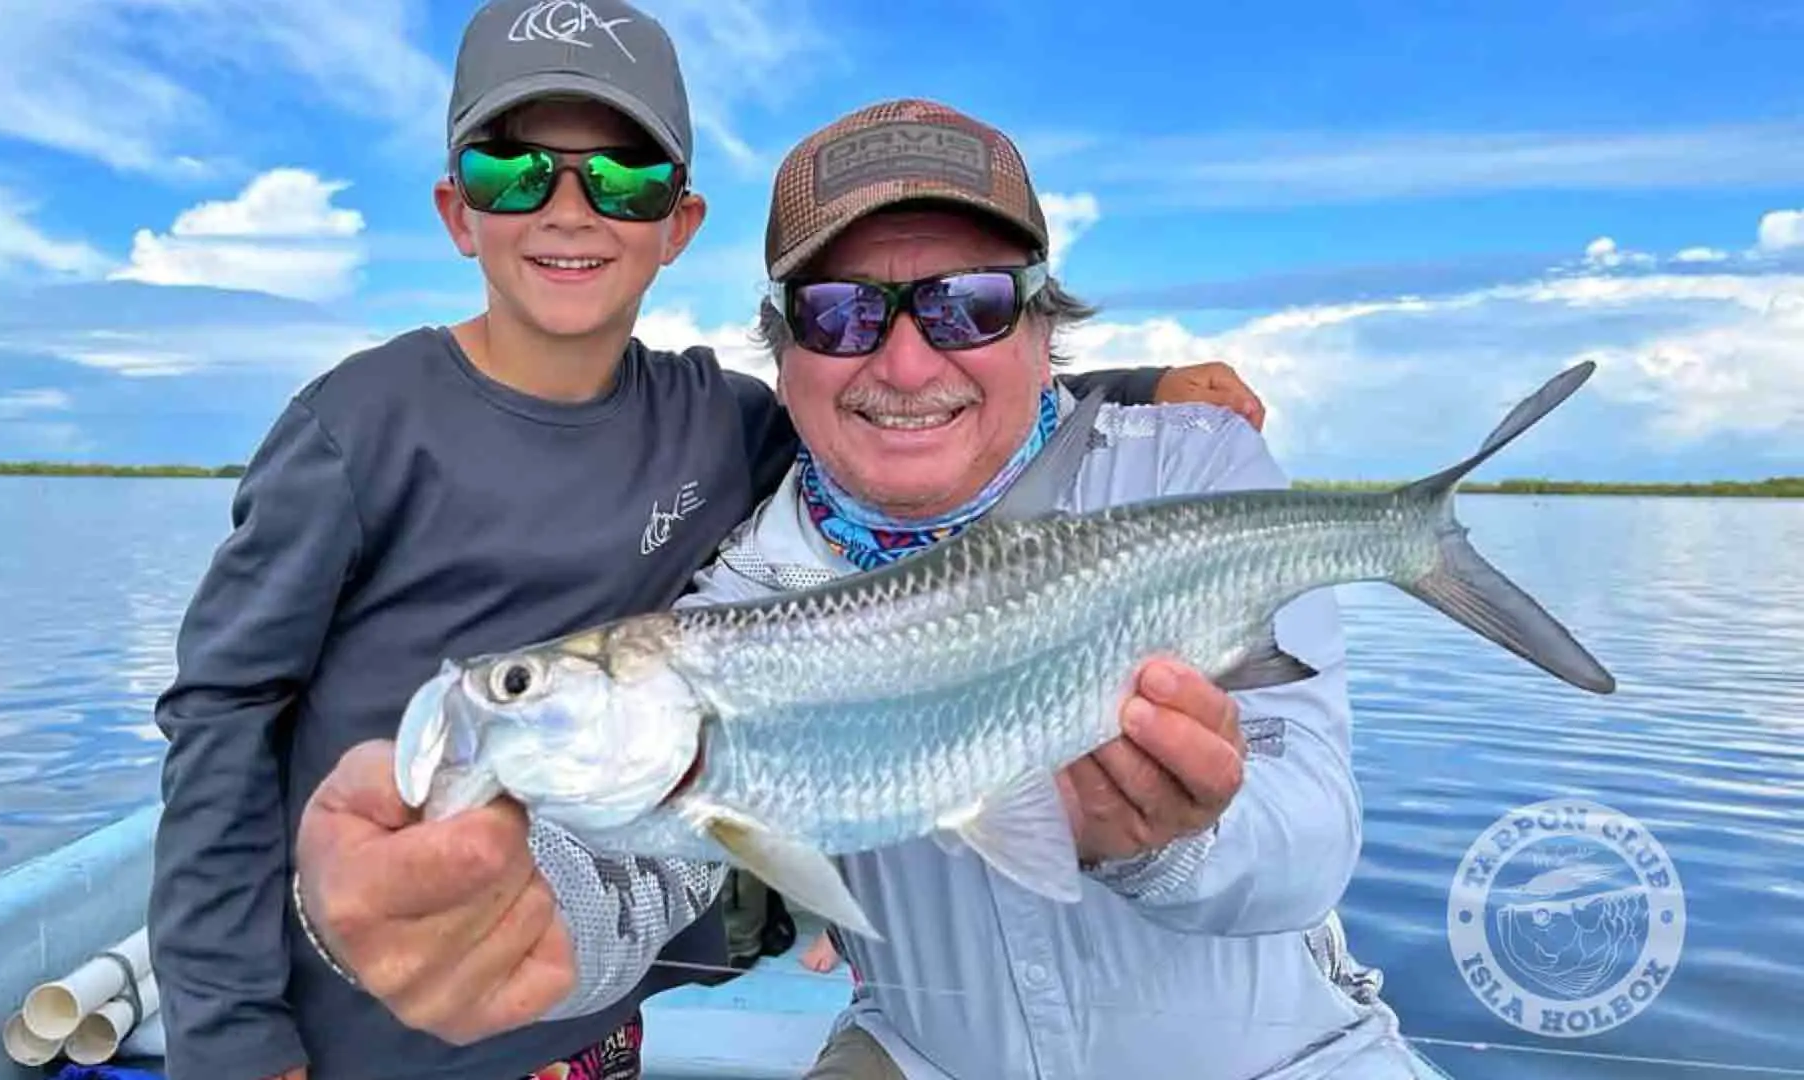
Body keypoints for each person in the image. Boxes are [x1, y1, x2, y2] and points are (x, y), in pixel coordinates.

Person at [146, 2, 1264, 1078]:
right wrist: (232, 1024)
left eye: (624, 176)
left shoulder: (719, 419)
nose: (569, 209)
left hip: (582, 1012)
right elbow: (223, 711)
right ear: (455, 210)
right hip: (366, 1002)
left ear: (679, 223)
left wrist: (1139, 389)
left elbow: (907, 401)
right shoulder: (357, 428)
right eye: (513, 170)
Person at [668, 97, 1456, 1079]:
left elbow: (1314, 838)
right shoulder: (736, 609)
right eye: (840, 312)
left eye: (971, 304)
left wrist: (1173, 843)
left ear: (1043, 335)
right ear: (783, 359)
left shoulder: (1191, 475)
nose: (907, 363)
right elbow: (642, 849)